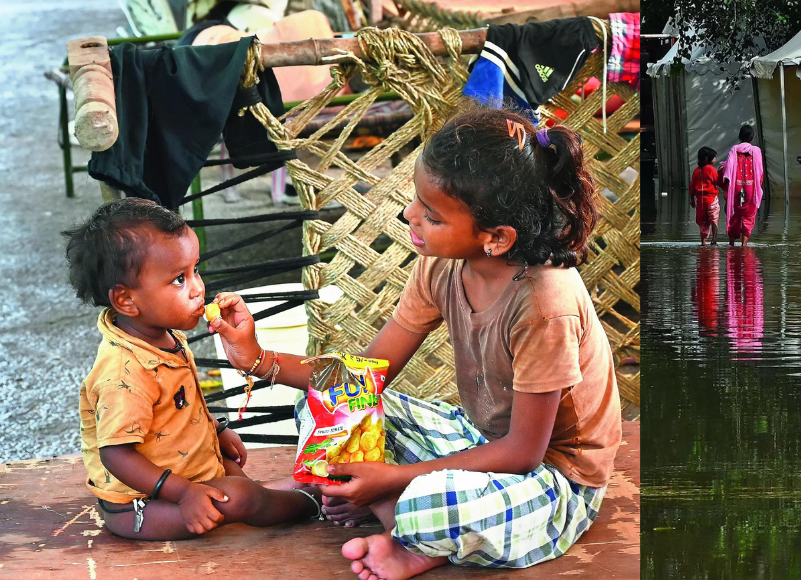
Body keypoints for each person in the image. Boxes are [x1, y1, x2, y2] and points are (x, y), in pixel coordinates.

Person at [213, 108, 622, 579]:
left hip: (554, 480)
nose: (410, 216)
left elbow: (524, 453)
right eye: (416, 201)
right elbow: (362, 375)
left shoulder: (546, 304)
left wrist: (392, 479)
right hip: (477, 440)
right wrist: (256, 357)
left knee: (428, 506)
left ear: (495, 238)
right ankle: (387, 513)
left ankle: (395, 520)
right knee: (327, 402)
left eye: (431, 215)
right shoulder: (441, 265)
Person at [64, 198, 324, 540]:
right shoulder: (123, 373)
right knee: (241, 498)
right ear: (126, 300)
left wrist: (216, 430)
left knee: (236, 480)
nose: (198, 289)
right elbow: (115, 454)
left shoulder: (162, 336)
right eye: (178, 279)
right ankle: (311, 504)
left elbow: (179, 403)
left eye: (195, 270)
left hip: (189, 471)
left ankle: (276, 495)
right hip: (141, 504)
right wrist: (185, 494)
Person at [721, 124, 765, 247]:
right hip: (750, 188)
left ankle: (731, 243)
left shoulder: (734, 149)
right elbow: (760, 171)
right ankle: (744, 245)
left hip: (736, 188)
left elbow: (728, 169)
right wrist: (758, 185)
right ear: (752, 137)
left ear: (740, 136)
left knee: (735, 214)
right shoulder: (756, 151)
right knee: (749, 215)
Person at [690, 146, 721, 245]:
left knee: (703, 222)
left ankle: (703, 242)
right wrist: (721, 172)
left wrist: (692, 199)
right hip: (711, 199)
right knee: (714, 220)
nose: (715, 159)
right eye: (714, 157)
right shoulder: (711, 169)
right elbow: (718, 181)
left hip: (700, 201)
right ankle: (714, 240)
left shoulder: (696, 171)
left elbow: (692, 187)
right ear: (708, 158)